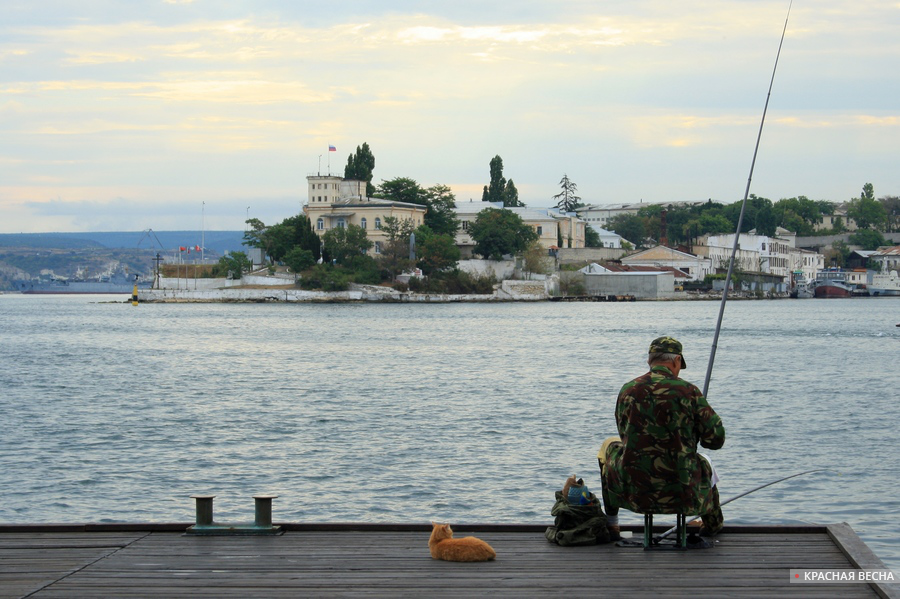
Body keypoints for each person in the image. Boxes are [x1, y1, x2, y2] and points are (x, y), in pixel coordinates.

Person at [598, 336, 725, 538]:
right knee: (705, 462)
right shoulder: (689, 391)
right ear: (676, 361)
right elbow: (716, 439)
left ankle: (612, 523)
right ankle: (712, 523)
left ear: (650, 361)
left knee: (608, 446)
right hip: (683, 490)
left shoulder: (627, 390)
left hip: (636, 491)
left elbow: (624, 435)